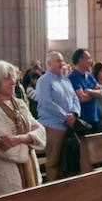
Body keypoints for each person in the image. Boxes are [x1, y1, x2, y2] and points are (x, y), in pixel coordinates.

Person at [0, 60, 46, 197]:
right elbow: (8, 150)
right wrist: (31, 140)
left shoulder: (20, 104)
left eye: (13, 77)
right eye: (7, 78)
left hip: (30, 169)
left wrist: (21, 138)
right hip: (7, 175)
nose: (13, 81)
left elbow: (41, 131)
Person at [35, 51, 82, 182]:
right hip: (53, 125)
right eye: (58, 61)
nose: (62, 63)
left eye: (62, 60)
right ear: (49, 64)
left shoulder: (66, 80)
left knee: (67, 162)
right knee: (53, 161)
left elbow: (75, 99)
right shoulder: (44, 80)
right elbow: (46, 102)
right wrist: (66, 117)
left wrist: (74, 114)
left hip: (68, 125)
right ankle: (52, 190)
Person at [68, 49, 102, 129]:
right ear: (80, 60)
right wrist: (95, 93)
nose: (91, 61)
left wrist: (89, 91)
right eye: (88, 58)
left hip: (95, 118)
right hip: (82, 120)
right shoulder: (73, 77)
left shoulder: (90, 76)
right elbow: (82, 98)